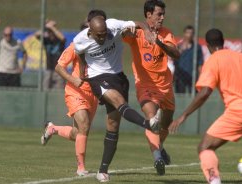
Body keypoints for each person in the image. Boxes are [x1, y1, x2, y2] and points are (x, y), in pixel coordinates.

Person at [169, 28, 242, 184]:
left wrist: (184, 115)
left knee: (205, 147)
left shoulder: (213, 60)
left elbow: (205, 92)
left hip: (239, 111)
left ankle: (215, 181)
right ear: (223, 42)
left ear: (209, 46)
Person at [73, 15, 162, 182]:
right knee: (120, 102)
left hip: (119, 77)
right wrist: (82, 71)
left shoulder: (113, 26)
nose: (102, 38)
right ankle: (148, 124)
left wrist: (147, 31)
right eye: (98, 35)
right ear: (90, 31)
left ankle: (103, 170)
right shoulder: (79, 40)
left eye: (104, 34)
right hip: (97, 77)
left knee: (113, 125)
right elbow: (79, 54)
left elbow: (137, 23)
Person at [40, 11, 107, 176]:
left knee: (78, 133)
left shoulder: (106, 47)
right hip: (75, 90)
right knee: (83, 125)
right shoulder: (75, 45)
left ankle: (53, 129)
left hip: (93, 94)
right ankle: (81, 168)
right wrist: (73, 79)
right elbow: (58, 67)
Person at [123, 0, 179, 176]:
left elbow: (176, 54)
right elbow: (125, 29)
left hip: (165, 86)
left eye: (163, 14)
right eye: (158, 14)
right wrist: (143, 28)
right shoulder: (138, 33)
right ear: (148, 15)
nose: (162, 17)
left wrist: (160, 43)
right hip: (145, 85)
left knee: (166, 122)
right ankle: (157, 157)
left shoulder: (166, 33)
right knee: (152, 118)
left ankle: (159, 146)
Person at [0, 16, 28, 87]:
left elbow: (25, 53)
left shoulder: (18, 43)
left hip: (14, 73)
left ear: (12, 34)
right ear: (3, 35)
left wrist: (23, 67)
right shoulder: (1, 42)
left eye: (10, 35)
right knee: (1, 94)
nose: (8, 37)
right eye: (6, 35)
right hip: (3, 72)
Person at [35, 20, 66, 90]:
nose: (51, 34)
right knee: (45, 89)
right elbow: (36, 35)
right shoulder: (46, 40)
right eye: (49, 32)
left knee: (59, 90)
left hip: (59, 70)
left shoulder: (59, 40)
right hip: (48, 68)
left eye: (52, 32)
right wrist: (45, 27)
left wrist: (52, 27)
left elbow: (63, 38)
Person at [174, 25, 203, 94]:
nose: (189, 35)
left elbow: (200, 63)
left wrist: (200, 77)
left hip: (192, 76)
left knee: (194, 96)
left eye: (191, 33)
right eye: (187, 33)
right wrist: (180, 51)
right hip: (180, 76)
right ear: (184, 34)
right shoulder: (179, 46)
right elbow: (173, 61)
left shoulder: (197, 48)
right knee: (180, 96)